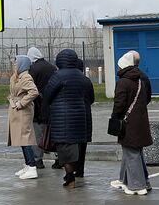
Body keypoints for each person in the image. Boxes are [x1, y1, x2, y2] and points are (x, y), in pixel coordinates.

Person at [43, 48, 94, 188]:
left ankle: (70, 177)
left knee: (64, 147)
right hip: (80, 117)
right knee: (76, 146)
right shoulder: (83, 78)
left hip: (62, 118)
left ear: (60, 60)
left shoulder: (58, 76)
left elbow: (47, 95)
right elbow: (91, 98)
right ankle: (74, 173)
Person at [110, 50, 152, 196]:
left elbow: (119, 104)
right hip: (141, 121)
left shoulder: (123, 82)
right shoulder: (141, 80)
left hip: (128, 123)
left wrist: (115, 117)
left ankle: (137, 186)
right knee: (136, 152)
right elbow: (147, 98)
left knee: (131, 153)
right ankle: (141, 181)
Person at [8, 56, 40, 180]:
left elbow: (34, 92)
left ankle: (32, 166)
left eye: (16, 63)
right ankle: (27, 164)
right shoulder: (17, 76)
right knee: (21, 139)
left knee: (25, 138)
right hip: (17, 111)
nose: (14, 65)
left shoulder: (25, 77)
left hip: (23, 111)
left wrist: (21, 103)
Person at [27, 46, 56, 169]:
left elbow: (30, 87)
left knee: (37, 133)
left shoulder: (33, 68)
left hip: (38, 105)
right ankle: (59, 158)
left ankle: (38, 159)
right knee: (54, 132)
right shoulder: (52, 67)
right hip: (53, 104)